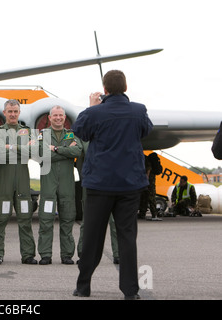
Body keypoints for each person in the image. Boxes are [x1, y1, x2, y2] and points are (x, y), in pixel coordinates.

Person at [72, 70, 153, 299]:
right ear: (125, 88)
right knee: (127, 237)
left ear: (104, 89)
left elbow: (79, 131)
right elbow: (146, 130)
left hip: (99, 185)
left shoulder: (94, 113)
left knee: (92, 237)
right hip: (129, 186)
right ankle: (130, 291)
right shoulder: (139, 110)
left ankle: (83, 286)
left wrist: (90, 106)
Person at [0, 99, 37, 265]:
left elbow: (33, 151)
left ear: (19, 112)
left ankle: (28, 255)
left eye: (15, 111)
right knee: (1, 217)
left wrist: (11, 147)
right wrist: (22, 149)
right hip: (4, 181)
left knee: (25, 217)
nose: (13, 114)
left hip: (23, 181)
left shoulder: (27, 131)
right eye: (10, 111)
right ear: (4, 113)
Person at [36, 105, 83, 265]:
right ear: (49, 118)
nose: (58, 118)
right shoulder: (43, 134)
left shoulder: (71, 134)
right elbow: (41, 154)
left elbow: (77, 152)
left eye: (60, 115)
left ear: (64, 118)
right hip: (48, 185)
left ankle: (67, 255)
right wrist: (64, 151)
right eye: (55, 115)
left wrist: (55, 149)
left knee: (68, 219)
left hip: (67, 185)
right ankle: (45, 255)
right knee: (46, 220)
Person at [139, 152, 162, 221]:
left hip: (148, 182)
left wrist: (146, 180)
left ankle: (151, 214)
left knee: (148, 198)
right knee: (147, 198)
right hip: (151, 182)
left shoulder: (146, 160)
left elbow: (148, 170)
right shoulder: (146, 159)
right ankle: (150, 214)